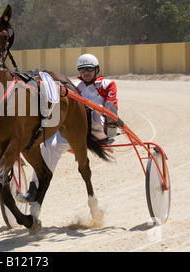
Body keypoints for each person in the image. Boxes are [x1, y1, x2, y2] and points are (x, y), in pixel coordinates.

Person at [17, 54, 119, 204]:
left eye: (89, 69)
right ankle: (33, 188)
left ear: (96, 69)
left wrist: (108, 126)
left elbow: (111, 106)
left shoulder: (107, 84)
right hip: (73, 129)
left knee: (92, 115)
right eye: (82, 69)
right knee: (48, 146)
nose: (86, 72)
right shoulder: (74, 88)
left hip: (97, 126)